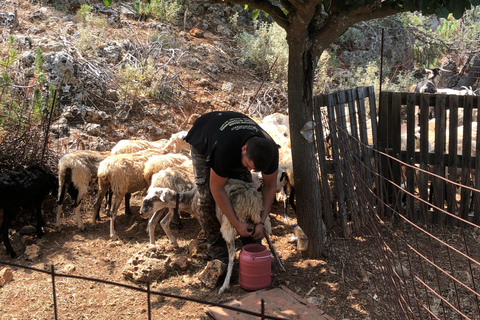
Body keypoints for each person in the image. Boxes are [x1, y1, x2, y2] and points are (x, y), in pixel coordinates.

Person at [185, 111, 279, 262]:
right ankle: (218, 251)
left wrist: (261, 222)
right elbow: (217, 189)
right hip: (205, 135)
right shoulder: (224, 149)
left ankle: (251, 243)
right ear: (243, 150)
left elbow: (269, 187)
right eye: (248, 166)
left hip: (235, 139)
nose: (248, 171)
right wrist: (236, 224)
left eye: (253, 169)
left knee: (247, 195)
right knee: (206, 197)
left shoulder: (271, 150)